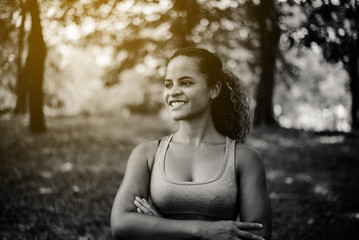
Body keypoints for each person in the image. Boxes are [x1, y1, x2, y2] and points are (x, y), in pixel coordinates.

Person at [111, 47, 272, 240]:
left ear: (214, 89)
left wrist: (158, 226)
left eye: (186, 83)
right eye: (168, 84)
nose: (174, 92)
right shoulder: (146, 154)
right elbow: (121, 223)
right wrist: (203, 230)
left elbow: (258, 235)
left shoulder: (245, 158)